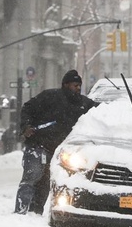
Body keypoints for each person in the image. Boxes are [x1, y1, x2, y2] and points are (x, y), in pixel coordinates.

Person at [14, 70, 99, 215]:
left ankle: (35, 213)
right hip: (37, 145)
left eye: (79, 85)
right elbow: (27, 108)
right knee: (32, 177)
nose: (78, 88)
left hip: (56, 152)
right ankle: (20, 212)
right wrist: (26, 127)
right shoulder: (49, 97)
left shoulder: (84, 104)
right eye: (75, 85)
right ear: (65, 84)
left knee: (45, 184)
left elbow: (102, 111)